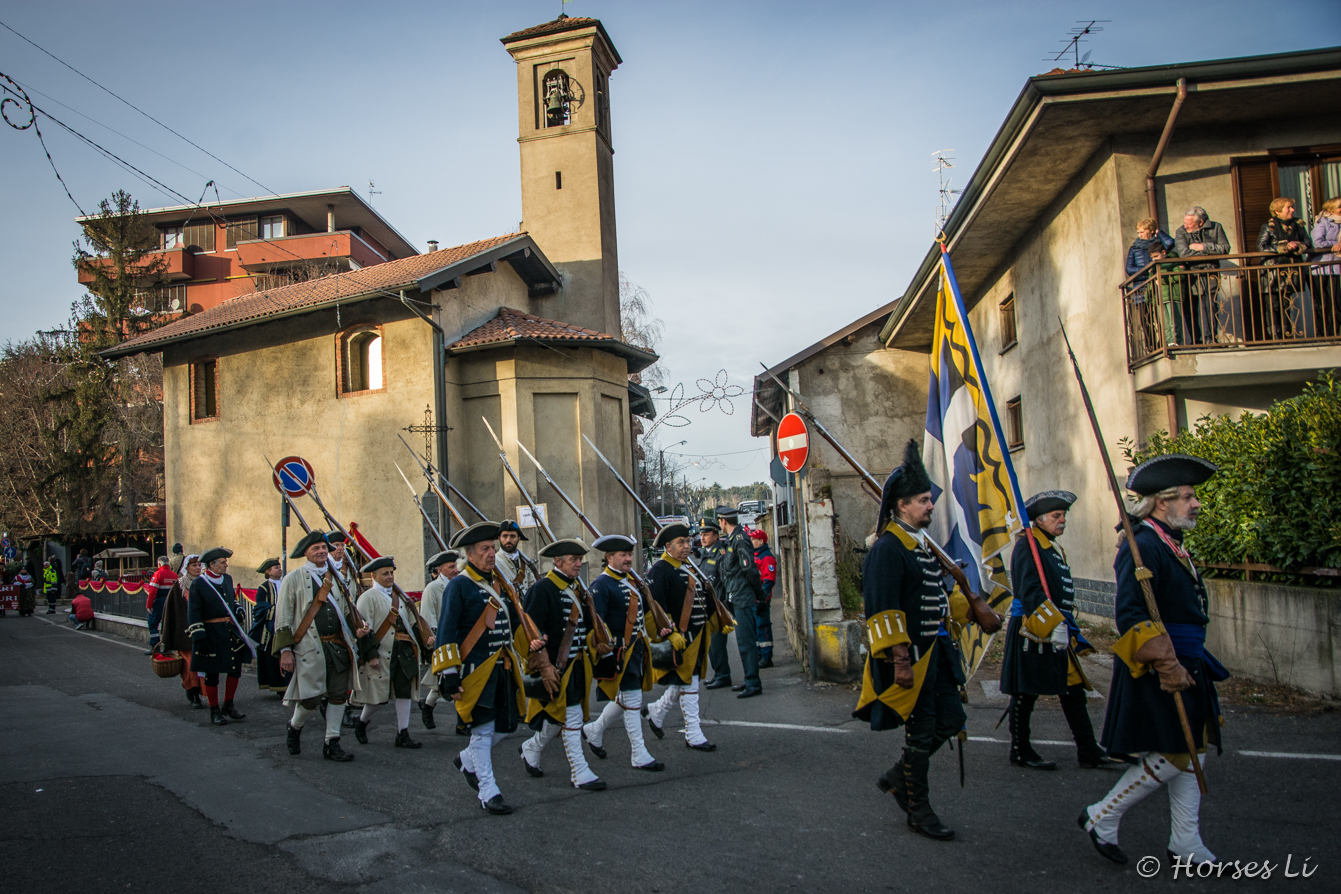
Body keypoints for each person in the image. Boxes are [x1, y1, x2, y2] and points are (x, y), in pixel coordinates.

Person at [1081, 454, 1226, 868]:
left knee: (1189, 751)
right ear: (1162, 502)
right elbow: (1130, 616)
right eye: (1188, 496)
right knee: (1175, 755)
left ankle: (1186, 842)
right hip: (1161, 666)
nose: (1196, 503)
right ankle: (1101, 816)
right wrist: (1167, 665)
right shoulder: (1142, 545)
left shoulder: (1167, 543)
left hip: (1187, 660)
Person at [854, 440, 995, 842]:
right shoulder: (888, 548)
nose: (930, 506)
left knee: (951, 720)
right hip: (911, 659)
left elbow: (937, 597)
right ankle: (918, 808)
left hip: (937, 655)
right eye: (922, 500)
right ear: (900, 506)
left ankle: (899, 777)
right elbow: (882, 610)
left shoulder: (920, 545)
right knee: (921, 731)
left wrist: (974, 607)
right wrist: (899, 660)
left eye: (930, 499)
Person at [1000, 491, 1124, 771]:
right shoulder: (1028, 546)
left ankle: (1088, 749)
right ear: (1040, 520)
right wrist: (1053, 623)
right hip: (1034, 629)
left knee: (1073, 689)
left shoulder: (1050, 546)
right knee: (1025, 692)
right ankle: (1020, 749)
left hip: (1057, 626)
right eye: (1056, 516)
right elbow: (1028, 591)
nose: (1062, 520)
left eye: (1063, 515)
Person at [434, 521, 536, 815]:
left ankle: (467, 760)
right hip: (475, 671)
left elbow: (514, 623)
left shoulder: (499, 584)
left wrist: (532, 646)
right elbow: (447, 630)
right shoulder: (459, 586)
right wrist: (450, 673)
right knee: (482, 731)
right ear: (470, 554)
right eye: (485, 549)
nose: (492, 553)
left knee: (507, 726)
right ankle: (488, 790)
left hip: (502, 669)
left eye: (492, 548)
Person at [274, 531, 372, 762]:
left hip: (337, 646)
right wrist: (285, 651)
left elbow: (346, 610)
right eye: (315, 548)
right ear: (306, 553)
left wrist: (357, 628)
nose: (320, 551)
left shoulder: (336, 578)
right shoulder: (293, 579)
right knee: (311, 699)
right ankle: (295, 727)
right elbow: (283, 617)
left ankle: (332, 742)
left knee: (338, 696)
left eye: (322, 547)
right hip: (308, 648)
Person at [518, 539, 607, 791]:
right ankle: (580, 771)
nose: (579, 564)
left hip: (578, 665)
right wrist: (543, 662)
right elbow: (530, 631)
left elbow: (588, 626)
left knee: (558, 719)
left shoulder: (579, 589)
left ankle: (531, 748)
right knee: (572, 716)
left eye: (579, 560)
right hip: (556, 668)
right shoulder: (543, 589)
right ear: (557, 562)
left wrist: (597, 641)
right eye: (573, 560)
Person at [582, 534, 667, 772]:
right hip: (619, 651)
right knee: (633, 700)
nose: (628, 559)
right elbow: (597, 624)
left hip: (636, 649)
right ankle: (639, 753)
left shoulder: (631, 581)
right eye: (623, 555)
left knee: (629, 698)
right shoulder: (601, 585)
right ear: (609, 558)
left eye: (629, 555)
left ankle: (594, 730)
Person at [643, 522, 717, 752]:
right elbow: (655, 607)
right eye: (681, 543)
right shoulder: (660, 570)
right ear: (668, 546)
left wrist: (717, 619)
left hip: (697, 635)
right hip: (680, 636)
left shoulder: (689, 566)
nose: (687, 546)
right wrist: (670, 633)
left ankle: (657, 712)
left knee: (685, 679)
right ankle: (693, 733)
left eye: (688, 541)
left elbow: (704, 596)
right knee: (690, 682)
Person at [354, 556, 432, 750]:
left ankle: (402, 733)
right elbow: (364, 628)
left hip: (403, 650)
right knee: (379, 698)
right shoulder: (367, 598)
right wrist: (371, 655)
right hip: (381, 651)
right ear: (373, 576)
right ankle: (362, 722)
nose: (390, 577)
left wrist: (425, 640)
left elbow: (411, 624)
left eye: (391, 573)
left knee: (404, 691)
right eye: (385, 574)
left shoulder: (400, 597)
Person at [187, 548, 255, 725]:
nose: (226, 565)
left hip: (228, 631)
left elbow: (231, 600)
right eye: (223, 562)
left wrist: (238, 609)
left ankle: (229, 704)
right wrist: (199, 638)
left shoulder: (227, 579)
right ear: (212, 564)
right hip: (210, 633)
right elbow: (193, 613)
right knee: (212, 672)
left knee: (235, 668)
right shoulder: (199, 584)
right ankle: (214, 709)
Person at [717, 506, 764, 698]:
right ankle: (749, 679)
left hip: (743, 597)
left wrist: (759, 594)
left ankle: (753, 683)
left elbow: (749, 569)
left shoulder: (739, 540)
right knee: (743, 643)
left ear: (724, 521)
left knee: (746, 643)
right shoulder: (732, 540)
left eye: (720, 521)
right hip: (736, 596)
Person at [1256, 196, 1315, 339]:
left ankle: (1287, 333)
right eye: (1289, 207)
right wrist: (1283, 247)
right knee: (1273, 304)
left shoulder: (1298, 225)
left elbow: (1307, 242)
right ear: (1277, 211)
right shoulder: (1268, 227)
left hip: (1289, 271)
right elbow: (1261, 247)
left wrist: (1298, 246)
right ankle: (1275, 335)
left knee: (1287, 303)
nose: (1292, 210)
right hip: (1273, 272)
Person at [1173, 206, 1232, 345]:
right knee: (1192, 309)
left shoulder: (1216, 227)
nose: (1186, 226)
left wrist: (1202, 247)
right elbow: (1184, 253)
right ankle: (1197, 341)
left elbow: (1225, 249)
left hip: (1210, 273)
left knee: (1210, 307)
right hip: (1191, 275)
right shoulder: (1181, 231)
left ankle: (1210, 339)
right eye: (1185, 222)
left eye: (1189, 223)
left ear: (1200, 222)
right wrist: (1210, 252)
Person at [418, 549, 459, 729]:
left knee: (456, 679)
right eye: (451, 567)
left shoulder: (458, 584)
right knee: (443, 679)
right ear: (440, 569)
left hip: (459, 638)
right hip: (441, 639)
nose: (455, 570)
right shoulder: (432, 588)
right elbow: (428, 616)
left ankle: (428, 706)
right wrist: (433, 638)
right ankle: (428, 707)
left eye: (456, 566)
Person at [162, 554, 205, 708]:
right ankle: (192, 692)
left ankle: (203, 692)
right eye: (194, 566)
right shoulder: (180, 586)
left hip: (203, 631)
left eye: (199, 565)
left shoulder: (205, 583)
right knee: (190, 665)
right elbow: (172, 611)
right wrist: (167, 636)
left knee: (204, 665)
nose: (198, 568)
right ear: (186, 568)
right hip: (186, 633)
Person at [697, 517, 734, 690]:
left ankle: (723, 675)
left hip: (718, 606)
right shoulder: (705, 553)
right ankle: (719, 673)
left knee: (717, 644)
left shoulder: (721, 554)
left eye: (706, 534)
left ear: (716, 535)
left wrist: (725, 606)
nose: (702, 537)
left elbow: (725, 581)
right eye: (701, 534)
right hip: (707, 606)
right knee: (711, 645)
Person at [249, 558, 292, 694]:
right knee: (274, 658)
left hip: (287, 625)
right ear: (268, 572)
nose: (279, 569)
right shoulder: (264, 588)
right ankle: (279, 687)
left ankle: (290, 685)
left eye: (279, 566)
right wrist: (278, 610)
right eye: (275, 567)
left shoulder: (286, 583)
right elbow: (261, 608)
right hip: (271, 629)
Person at [1310, 197, 1341, 338]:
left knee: (1337, 302)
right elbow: (1317, 242)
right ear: (1331, 209)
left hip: (1335, 267)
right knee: (1322, 303)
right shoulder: (1323, 222)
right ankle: (1322, 335)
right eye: (1340, 206)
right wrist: (1335, 244)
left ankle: (1335, 333)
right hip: (1320, 268)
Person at [750, 529, 777, 668]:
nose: (751, 542)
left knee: (763, 627)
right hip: (754, 598)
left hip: (761, 600)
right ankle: (760, 654)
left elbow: (769, 581)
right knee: (755, 627)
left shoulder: (766, 557)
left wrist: (762, 599)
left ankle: (766, 657)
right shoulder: (755, 555)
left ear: (761, 541)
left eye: (753, 540)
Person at [145, 556, 178, 654]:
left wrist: (149, 605)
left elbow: (152, 592)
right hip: (171, 601)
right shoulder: (174, 575)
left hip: (159, 601)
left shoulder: (157, 574)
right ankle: (168, 647)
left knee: (153, 623)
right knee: (168, 624)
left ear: (159, 564)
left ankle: (155, 647)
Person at [1125, 217, 1175, 282]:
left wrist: (1159, 233)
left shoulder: (1159, 245)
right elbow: (1129, 269)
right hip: (1141, 284)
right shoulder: (1134, 248)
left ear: (1152, 230)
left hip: (1159, 281)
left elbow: (1170, 243)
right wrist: (1148, 269)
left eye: (1142, 232)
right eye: (1138, 233)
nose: (1140, 235)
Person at [495, 520, 537, 593]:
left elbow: (532, 586)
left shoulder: (524, 561)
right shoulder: (494, 562)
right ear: (499, 538)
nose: (508, 540)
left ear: (519, 538)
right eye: (505, 536)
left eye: (513, 536)